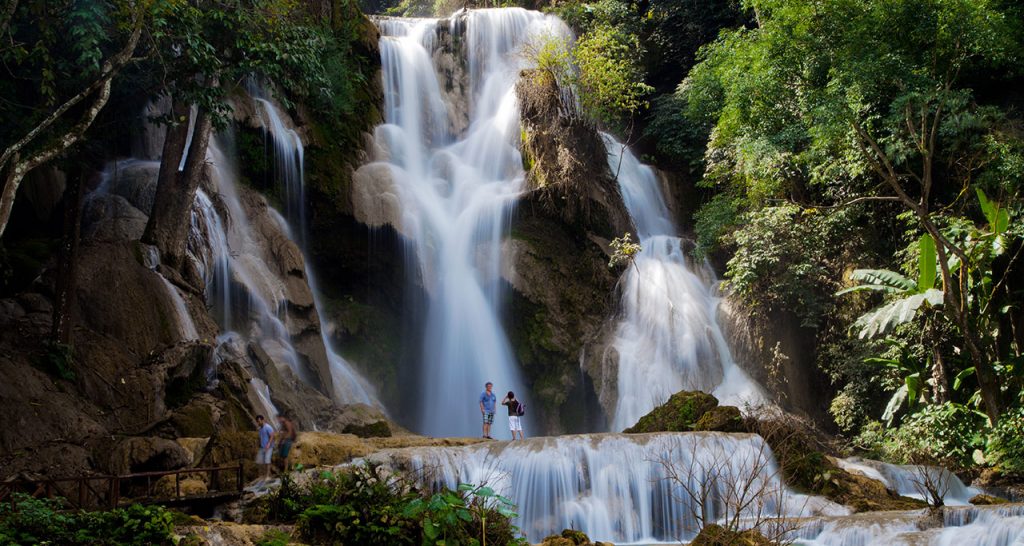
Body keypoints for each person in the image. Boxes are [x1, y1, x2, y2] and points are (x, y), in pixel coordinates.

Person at [255, 415, 274, 479]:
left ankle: (268, 476)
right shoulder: (260, 429)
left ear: (263, 420)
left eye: (259, 421)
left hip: (269, 447)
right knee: (259, 461)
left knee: (267, 461)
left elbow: (272, 436)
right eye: (257, 421)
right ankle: (262, 475)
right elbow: (260, 437)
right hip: (262, 447)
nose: (258, 423)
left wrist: (268, 444)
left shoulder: (268, 427)